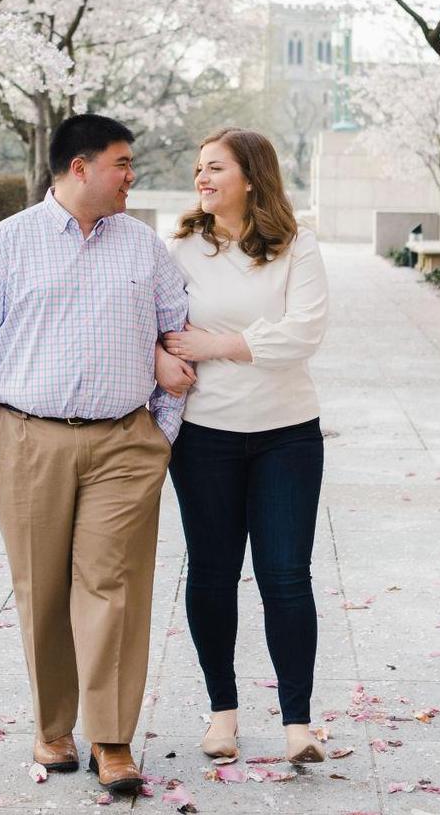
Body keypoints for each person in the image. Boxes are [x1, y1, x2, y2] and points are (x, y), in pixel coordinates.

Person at [0, 113, 188, 794]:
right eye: (120, 163)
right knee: (41, 587)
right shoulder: (7, 244)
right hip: (28, 438)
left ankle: (111, 739)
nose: (130, 176)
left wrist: (160, 432)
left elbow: (179, 336)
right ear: (78, 168)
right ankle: (53, 728)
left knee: (111, 588)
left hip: (122, 441)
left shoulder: (143, 247)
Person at [157, 127, 329, 765]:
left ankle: (298, 726)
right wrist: (164, 353)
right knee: (212, 573)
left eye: (216, 169)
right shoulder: (176, 250)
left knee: (286, 576)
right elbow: (151, 325)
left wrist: (217, 344)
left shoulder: (296, 245)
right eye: (199, 169)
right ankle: (221, 715)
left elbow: (303, 334)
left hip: (287, 434)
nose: (202, 179)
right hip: (205, 437)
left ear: (252, 177)